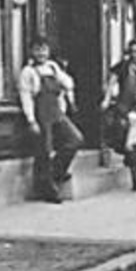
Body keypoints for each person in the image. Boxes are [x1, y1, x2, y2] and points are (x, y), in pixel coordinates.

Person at [18, 37, 84, 203]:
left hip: (57, 113)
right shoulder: (28, 72)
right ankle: (48, 189)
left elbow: (69, 84)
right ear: (31, 52)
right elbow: (26, 97)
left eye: (44, 49)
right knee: (45, 152)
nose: (41, 53)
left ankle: (56, 173)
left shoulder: (53, 67)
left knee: (75, 139)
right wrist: (31, 120)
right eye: (37, 49)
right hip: (41, 115)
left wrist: (63, 79)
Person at [102, 39, 136, 154]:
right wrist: (106, 99)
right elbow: (112, 82)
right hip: (126, 105)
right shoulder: (122, 66)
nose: (135, 55)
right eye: (132, 52)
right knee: (124, 126)